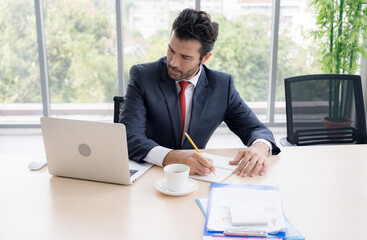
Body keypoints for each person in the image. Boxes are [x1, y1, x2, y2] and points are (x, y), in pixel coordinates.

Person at [120, 8, 280, 178]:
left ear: (205, 58)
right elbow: (129, 136)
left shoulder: (221, 85)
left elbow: (255, 128)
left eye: (185, 57)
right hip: (151, 174)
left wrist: (260, 147)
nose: (173, 62)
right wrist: (172, 157)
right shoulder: (143, 76)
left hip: (197, 178)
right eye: (171, 51)